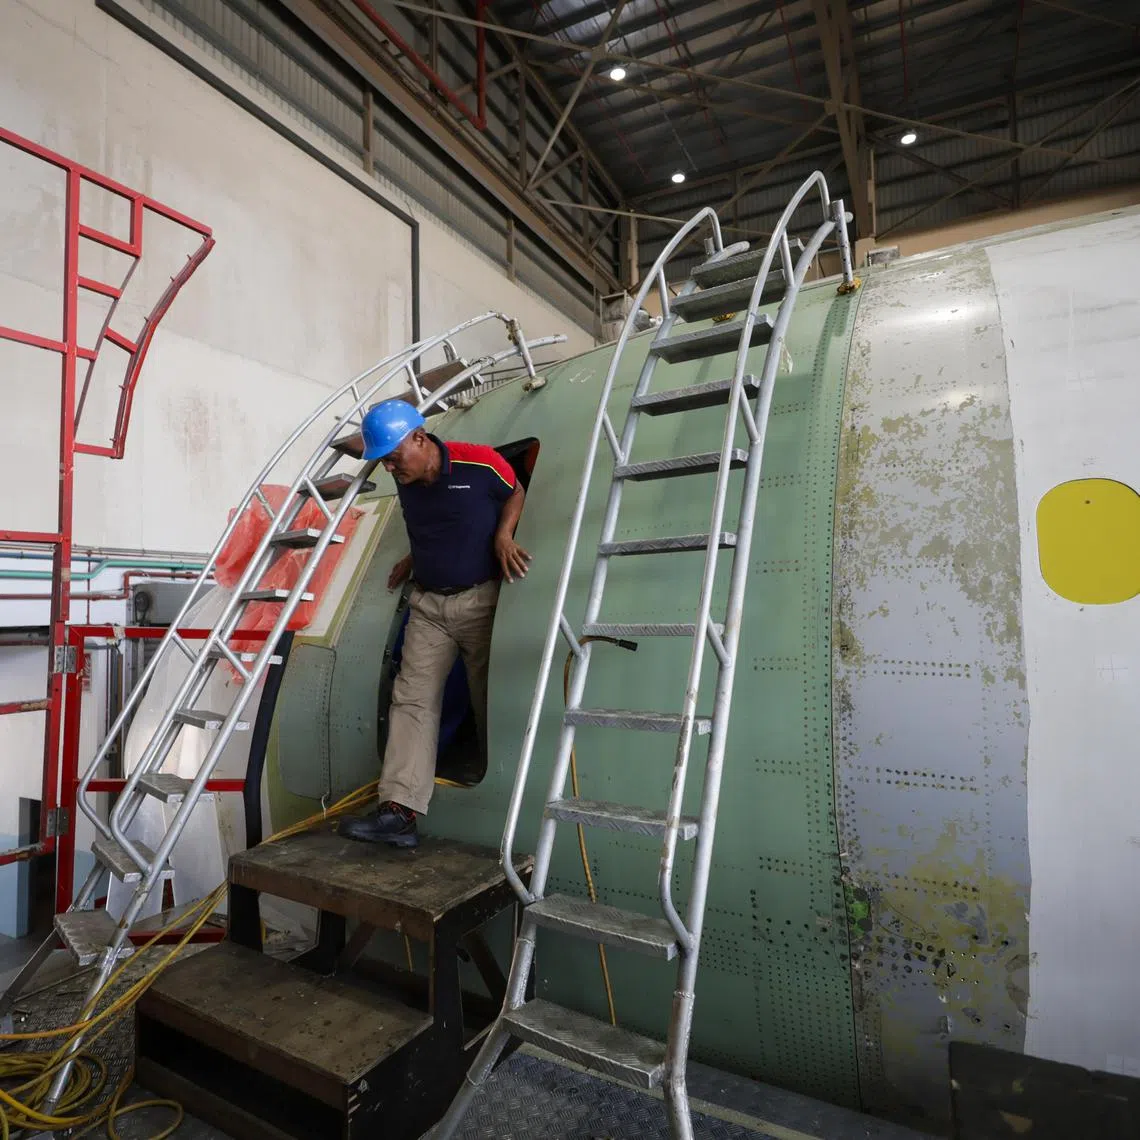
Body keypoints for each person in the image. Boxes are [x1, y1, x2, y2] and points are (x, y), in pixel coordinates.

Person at [340, 399, 530, 848]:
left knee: (489, 697)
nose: (390, 469)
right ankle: (399, 814)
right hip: (428, 604)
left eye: (393, 457)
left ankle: (505, 797)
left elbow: (516, 491)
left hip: (480, 600)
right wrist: (417, 556)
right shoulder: (407, 475)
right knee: (412, 700)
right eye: (383, 461)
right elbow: (435, 522)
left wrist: (504, 535)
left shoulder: (480, 464)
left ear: (420, 439)